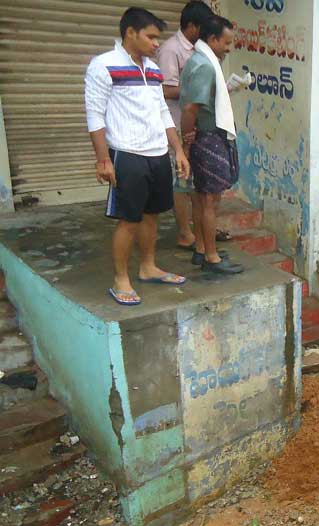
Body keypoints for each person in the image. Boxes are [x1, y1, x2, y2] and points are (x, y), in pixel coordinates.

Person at [84, 7, 190, 306]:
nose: (157, 44)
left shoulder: (153, 69)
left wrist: (178, 150)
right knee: (129, 220)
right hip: (127, 154)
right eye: (151, 37)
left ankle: (148, 266)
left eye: (158, 38)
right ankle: (121, 279)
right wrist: (103, 159)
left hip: (157, 153)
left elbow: (161, 112)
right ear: (130, 32)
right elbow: (95, 115)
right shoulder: (103, 66)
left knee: (151, 215)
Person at [180, 15, 243, 274]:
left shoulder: (199, 60)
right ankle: (212, 258)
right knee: (209, 200)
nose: (228, 48)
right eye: (226, 43)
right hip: (207, 136)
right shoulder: (205, 65)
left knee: (200, 198)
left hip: (204, 134)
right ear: (213, 39)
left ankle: (201, 250)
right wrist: (187, 138)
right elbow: (191, 107)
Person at [157, 0, 216, 252]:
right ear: (192, 25)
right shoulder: (171, 49)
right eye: (202, 28)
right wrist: (199, 90)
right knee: (181, 180)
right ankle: (184, 232)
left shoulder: (197, 49)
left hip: (195, 123)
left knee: (194, 180)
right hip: (175, 122)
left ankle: (200, 231)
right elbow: (165, 89)